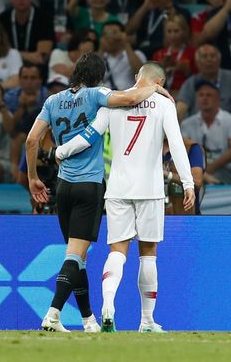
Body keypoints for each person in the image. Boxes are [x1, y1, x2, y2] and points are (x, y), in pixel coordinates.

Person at [26, 52, 173, 333]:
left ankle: (88, 320)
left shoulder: (52, 101)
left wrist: (33, 176)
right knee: (74, 257)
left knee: (77, 257)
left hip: (63, 186)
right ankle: (53, 314)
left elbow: (33, 139)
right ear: (98, 77)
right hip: (89, 185)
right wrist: (156, 86)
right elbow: (131, 98)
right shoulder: (96, 95)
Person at [53, 62, 195, 333]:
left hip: (117, 189)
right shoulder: (164, 105)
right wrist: (188, 183)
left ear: (136, 78)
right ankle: (147, 321)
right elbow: (176, 144)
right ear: (160, 83)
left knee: (117, 251)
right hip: (150, 189)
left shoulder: (113, 101)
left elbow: (89, 135)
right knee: (148, 254)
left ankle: (108, 304)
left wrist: (61, 151)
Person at [180, 80, 231, 185]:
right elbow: (182, 152)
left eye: (209, 95)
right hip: (195, 170)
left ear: (218, 99)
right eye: (201, 95)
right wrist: (200, 172)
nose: (204, 98)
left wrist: (208, 169)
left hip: (224, 170)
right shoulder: (187, 124)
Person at [176, 44, 231, 124]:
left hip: (227, 127)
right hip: (197, 129)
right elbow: (181, 108)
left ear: (219, 60)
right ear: (197, 62)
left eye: (213, 56)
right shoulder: (191, 82)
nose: (209, 59)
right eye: (205, 56)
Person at [126, 0, 192, 58]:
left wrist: (169, 6)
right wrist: (145, 6)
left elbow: (178, 40)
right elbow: (128, 30)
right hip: (140, 53)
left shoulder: (181, 12)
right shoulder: (145, 9)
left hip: (163, 54)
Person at [0, 0, 55, 66]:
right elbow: (0, 52)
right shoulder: (3, 18)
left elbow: (41, 57)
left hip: (37, 69)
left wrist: (13, 54)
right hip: (10, 66)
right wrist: (28, 56)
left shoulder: (44, 17)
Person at [150, 13, 197, 94]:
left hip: (186, 94)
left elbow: (196, 77)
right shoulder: (158, 54)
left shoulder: (192, 53)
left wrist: (184, 69)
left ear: (184, 31)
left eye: (176, 31)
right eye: (169, 31)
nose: (173, 35)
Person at [98, 21, 147, 90]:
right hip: (105, 98)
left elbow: (141, 76)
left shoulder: (137, 54)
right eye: (105, 34)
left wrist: (126, 43)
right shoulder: (100, 57)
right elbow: (91, 76)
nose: (110, 37)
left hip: (128, 97)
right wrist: (101, 49)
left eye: (114, 32)